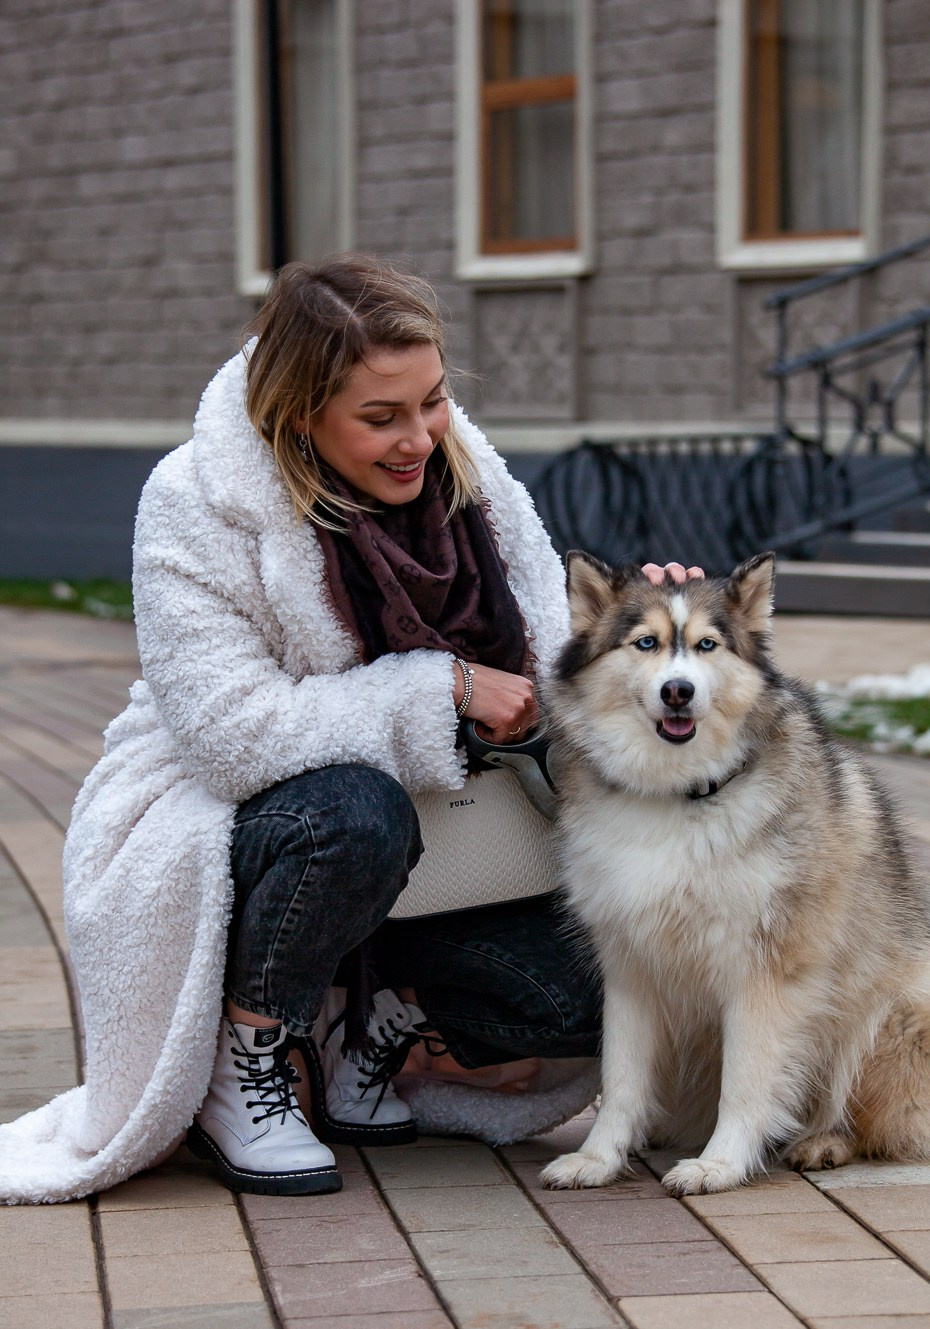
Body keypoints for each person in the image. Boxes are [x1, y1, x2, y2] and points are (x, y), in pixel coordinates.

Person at [0, 253, 699, 1205]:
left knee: (595, 991)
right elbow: (229, 736)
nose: (420, 437)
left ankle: (369, 1027)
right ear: (299, 414)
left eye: (433, 400)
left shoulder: (471, 478)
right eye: (381, 417)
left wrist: (636, 636)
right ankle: (248, 1057)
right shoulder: (194, 501)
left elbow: (543, 665)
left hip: (454, 840)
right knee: (355, 812)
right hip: (261, 822)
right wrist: (441, 690)